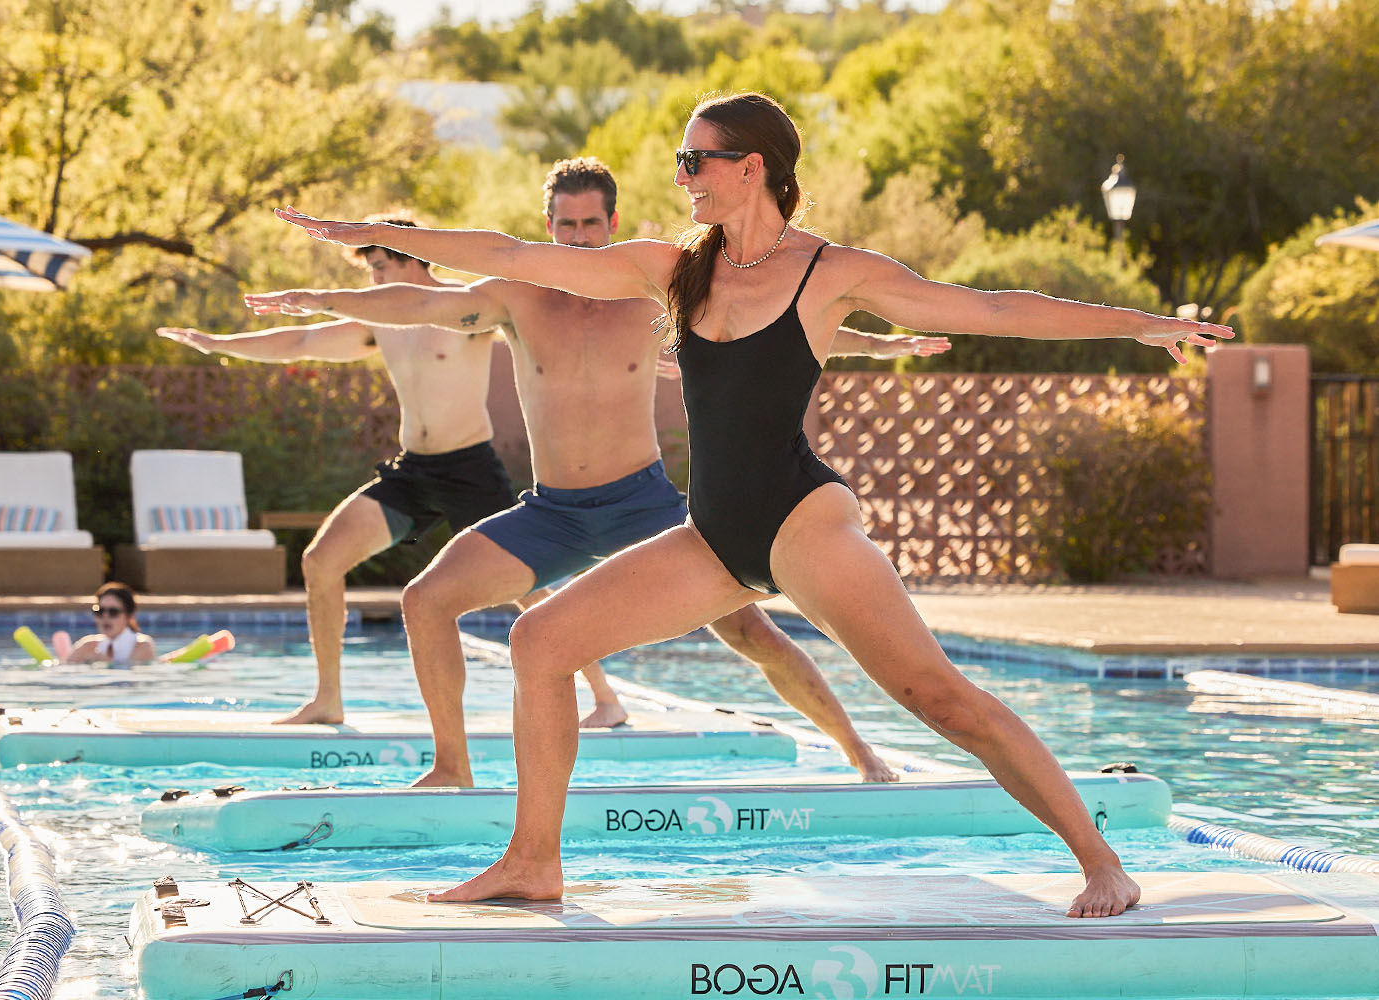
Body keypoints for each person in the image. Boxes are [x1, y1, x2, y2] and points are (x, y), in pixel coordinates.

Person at [274, 94, 1233, 917]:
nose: (684, 175)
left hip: (802, 522)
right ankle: (534, 863)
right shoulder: (675, 266)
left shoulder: (831, 273)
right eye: (682, 162)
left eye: (698, 160)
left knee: (938, 698)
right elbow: (513, 253)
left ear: (753, 167)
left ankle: (1102, 861)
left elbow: (991, 307)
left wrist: (1141, 325)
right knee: (540, 642)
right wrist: (383, 237)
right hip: (715, 535)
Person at [247, 159, 941, 787]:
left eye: (589, 225)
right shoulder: (516, 297)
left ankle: (860, 754)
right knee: (426, 602)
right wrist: (324, 299)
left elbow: (783, 326)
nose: (578, 238)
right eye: (565, 225)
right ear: (546, 227)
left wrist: (884, 346)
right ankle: (451, 769)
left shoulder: (653, 293)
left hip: (644, 507)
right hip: (554, 514)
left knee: (751, 632)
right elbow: (419, 306)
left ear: (610, 225)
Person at [159, 214, 630, 729]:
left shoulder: (465, 308)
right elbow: (300, 344)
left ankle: (605, 698)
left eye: (381, 266)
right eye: (371, 272)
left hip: (469, 470)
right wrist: (221, 345)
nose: (374, 280)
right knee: (320, 561)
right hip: (412, 473)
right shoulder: (379, 324)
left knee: (531, 592)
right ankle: (328, 699)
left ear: (411, 258)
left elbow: (540, 334)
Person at [63, 582, 155, 664]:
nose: (105, 617)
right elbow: (62, 669)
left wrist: (103, 663)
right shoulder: (88, 644)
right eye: (100, 611)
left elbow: (130, 678)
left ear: (129, 616)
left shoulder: (142, 645)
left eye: (113, 612)